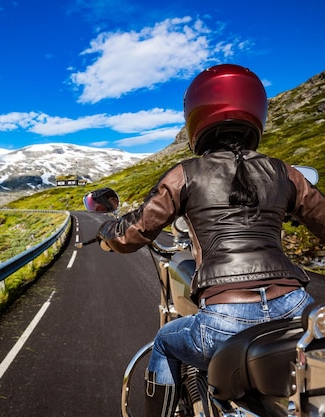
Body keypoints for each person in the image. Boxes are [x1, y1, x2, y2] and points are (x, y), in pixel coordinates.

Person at [93, 64, 325, 416]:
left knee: (165, 343)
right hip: (297, 305)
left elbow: (133, 232)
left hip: (226, 316)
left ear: (197, 114)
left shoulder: (185, 174)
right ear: (254, 109)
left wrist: (107, 233)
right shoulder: (284, 172)